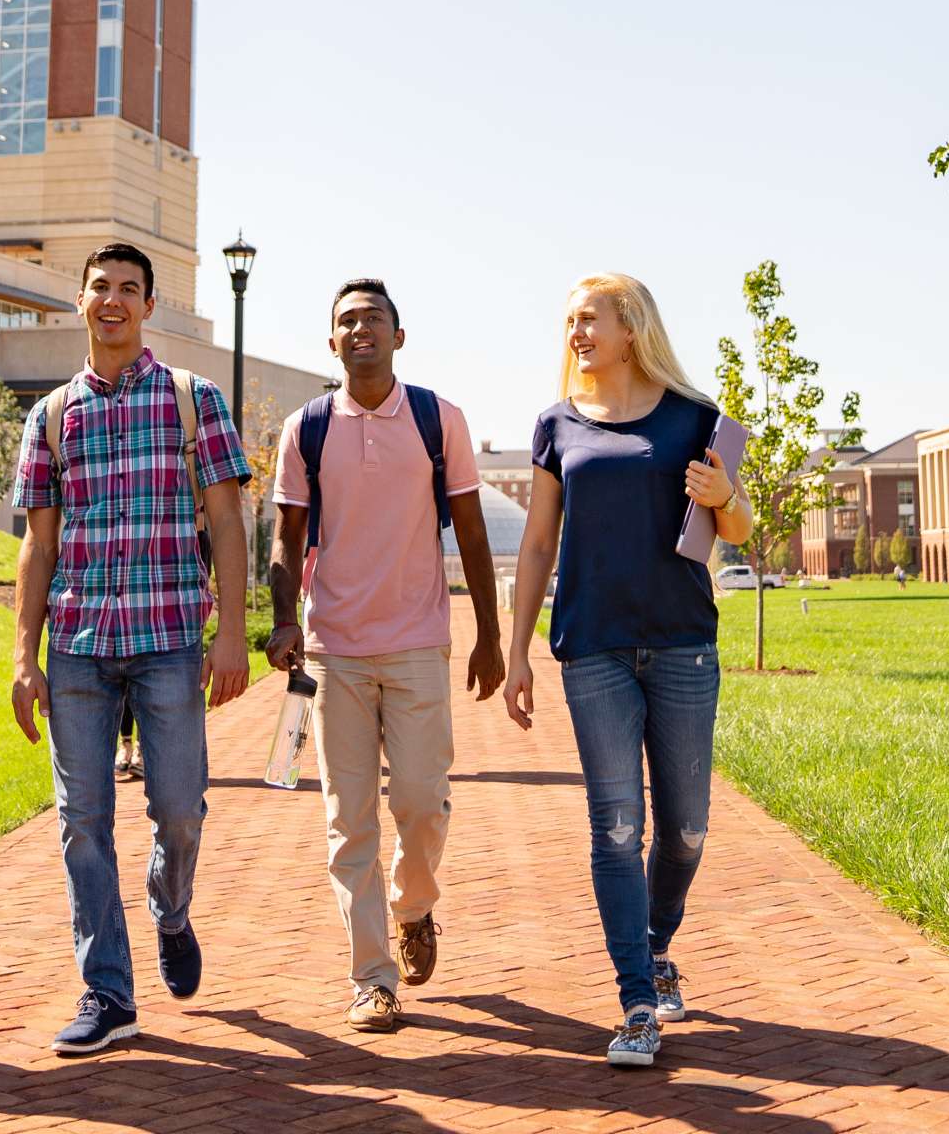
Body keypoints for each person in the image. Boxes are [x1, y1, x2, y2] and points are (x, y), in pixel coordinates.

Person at [7, 243, 252, 1056]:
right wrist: (21, 655)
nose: (113, 300)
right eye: (100, 287)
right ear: (80, 300)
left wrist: (228, 635)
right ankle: (107, 992)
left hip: (171, 638)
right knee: (82, 824)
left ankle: (170, 909)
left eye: (129, 290)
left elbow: (225, 522)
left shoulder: (193, 399)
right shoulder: (47, 416)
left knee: (180, 811)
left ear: (148, 306)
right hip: (77, 641)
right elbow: (38, 548)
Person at [502, 273, 748, 1070]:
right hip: (594, 646)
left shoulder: (695, 418)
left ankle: (655, 940)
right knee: (616, 826)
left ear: (631, 327)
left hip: (682, 641)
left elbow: (735, 527)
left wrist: (724, 494)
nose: (576, 332)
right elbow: (538, 544)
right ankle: (638, 1000)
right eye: (569, 320)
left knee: (685, 828)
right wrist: (516, 651)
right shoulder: (556, 423)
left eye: (589, 319)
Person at [266, 277, 505, 1033]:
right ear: (331, 342)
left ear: (398, 337)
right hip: (334, 649)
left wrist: (492, 637)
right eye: (346, 320)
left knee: (421, 804)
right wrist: (280, 622)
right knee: (350, 821)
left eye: (373, 318)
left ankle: (415, 906)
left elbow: (470, 531)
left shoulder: (439, 420)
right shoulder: (306, 427)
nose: (360, 327)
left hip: (417, 644)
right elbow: (286, 538)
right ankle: (373, 978)